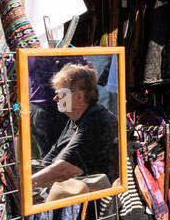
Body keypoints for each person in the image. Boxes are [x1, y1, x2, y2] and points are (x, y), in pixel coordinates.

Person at [32, 63, 120, 191]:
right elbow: (50, 159)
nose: (55, 98)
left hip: (97, 202)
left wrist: (26, 187)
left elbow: (63, 170)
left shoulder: (98, 121)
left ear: (79, 96)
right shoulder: (77, 117)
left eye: (61, 93)